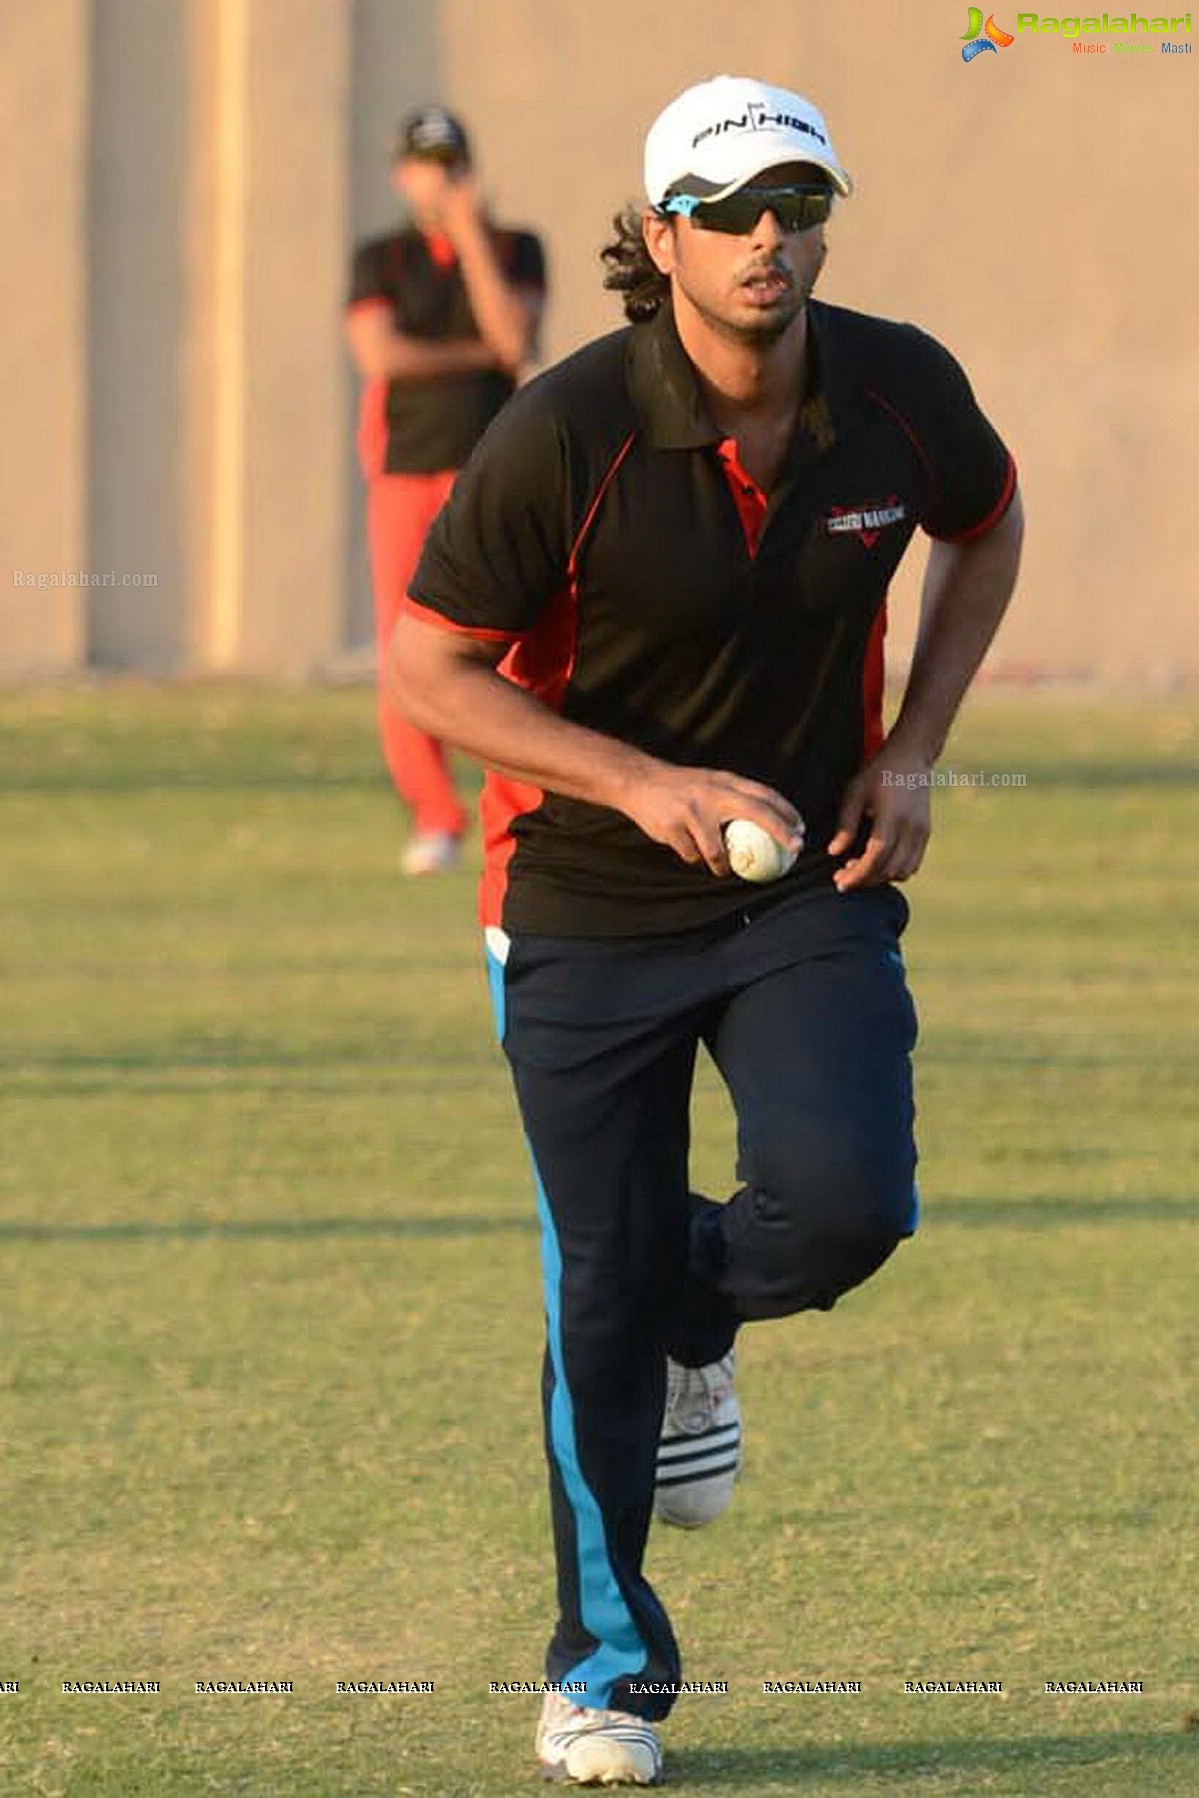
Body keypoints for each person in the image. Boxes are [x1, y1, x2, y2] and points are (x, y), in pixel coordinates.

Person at [393, 73, 1023, 1786]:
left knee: (839, 1203)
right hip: (582, 900)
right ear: (659, 234)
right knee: (590, 1281)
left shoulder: (895, 391)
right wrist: (637, 780)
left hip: (800, 888)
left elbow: (985, 522)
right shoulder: (565, 428)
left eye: (796, 203)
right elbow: (426, 664)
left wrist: (909, 755)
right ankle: (599, 1670)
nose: (768, 237)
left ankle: (687, 1308)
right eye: (731, 210)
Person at [345, 105, 545, 874]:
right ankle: (434, 814)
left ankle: (523, 796)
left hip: (489, 471)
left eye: (451, 165)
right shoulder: (381, 258)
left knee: (508, 640)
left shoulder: (512, 248)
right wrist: (474, 355)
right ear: (403, 174)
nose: (440, 179)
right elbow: (380, 352)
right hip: (403, 471)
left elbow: (513, 340)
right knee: (407, 643)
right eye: (426, 165)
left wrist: (468, 239)